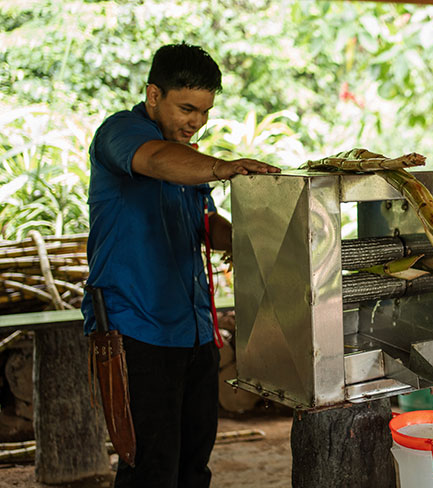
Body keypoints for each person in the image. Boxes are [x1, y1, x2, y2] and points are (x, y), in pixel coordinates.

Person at [81, 43, 280, 487]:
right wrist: (224, 167)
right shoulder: (121, 132)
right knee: (150, 468)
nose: (196, 123)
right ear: (154, 95)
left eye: (205, 112)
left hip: (194, 330)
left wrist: (257, 237)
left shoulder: (189, 159)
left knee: (194, 466)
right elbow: (154, 161)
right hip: (135, 330)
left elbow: (205, 224)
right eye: (187, 108)